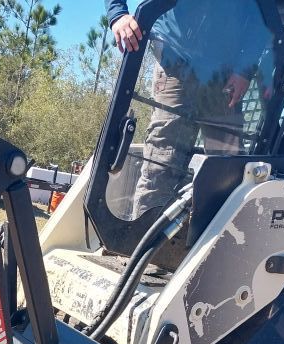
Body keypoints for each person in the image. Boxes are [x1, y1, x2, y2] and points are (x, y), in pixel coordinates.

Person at [105, 0, 273, 215]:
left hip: (224, 76)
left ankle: (220, 241)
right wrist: (118, 15)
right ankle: (142, 241)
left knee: (229, 170)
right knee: (161, 160)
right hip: (176, 63)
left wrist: (244, 70)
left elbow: (261, 14)